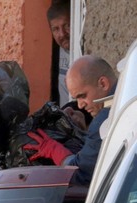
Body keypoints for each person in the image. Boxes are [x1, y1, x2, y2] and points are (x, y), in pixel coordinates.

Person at [23, 55, 118, 185]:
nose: (80, 105)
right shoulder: (128, 97)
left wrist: (54, 150)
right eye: (76, 99)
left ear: (103, 83)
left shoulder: (105, 122)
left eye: (82, 96)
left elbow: (81, 174)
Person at [47, 0, 71, 107]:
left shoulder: (83, 49)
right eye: (56, 29)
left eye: (67, 26)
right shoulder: (57, 53)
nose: (62, 34)